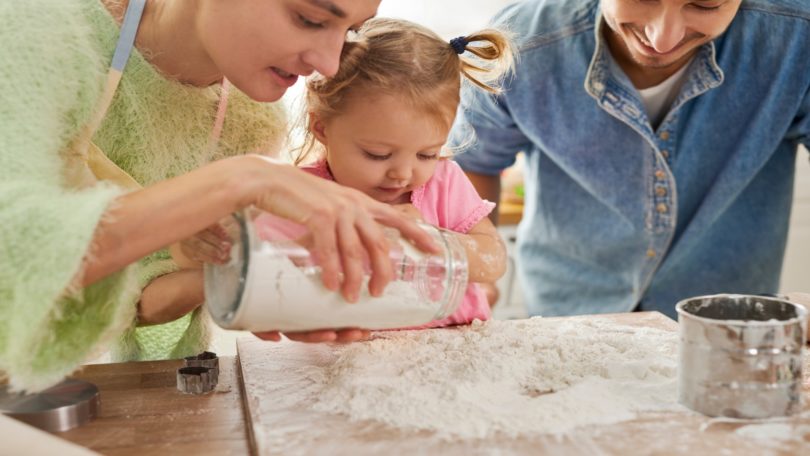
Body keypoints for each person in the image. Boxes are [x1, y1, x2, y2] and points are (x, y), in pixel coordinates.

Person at [0, 0, 441, 392]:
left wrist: (256, 287)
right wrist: (240, 181)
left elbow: (134, 298)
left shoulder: (250, 115)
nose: (329, 64)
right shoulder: (36, 27)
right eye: (309, 18)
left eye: (348, 34)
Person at [450, 0, 810, 319]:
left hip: (729, 320)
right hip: (570, 312)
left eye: (704, 5)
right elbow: (474, 163)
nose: (662, 38)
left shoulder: (798, 39)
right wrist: (476, 270)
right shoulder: (521, 44)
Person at [181, 18, 513, 326]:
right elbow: (243, 261)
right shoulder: (300, 194)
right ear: (322, 127)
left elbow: (494, 259)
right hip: (342, 357)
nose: (402, 173)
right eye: (377, 154)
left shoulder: (444, 181)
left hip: (450, 350)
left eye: (427, 153)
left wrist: (433, 241)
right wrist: (198, 245)